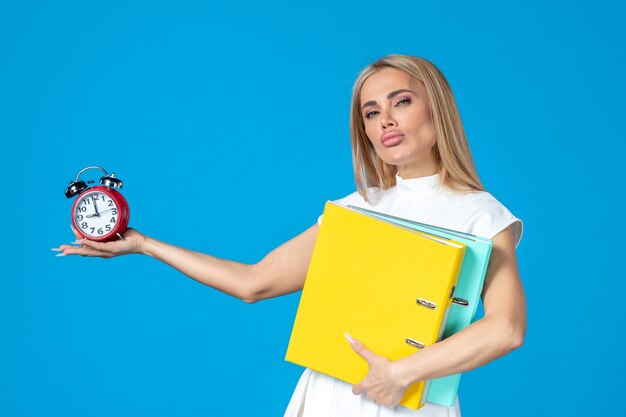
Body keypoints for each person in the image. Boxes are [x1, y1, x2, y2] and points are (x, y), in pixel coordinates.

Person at [55, 54, 526, 417]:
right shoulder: (354, 209)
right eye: (370, 112)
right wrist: (143, 244)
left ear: (436, 108)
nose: (385, 120)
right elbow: (253, 283)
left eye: (401, 101)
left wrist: (402, 373)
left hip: (410, 402)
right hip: (328, 395)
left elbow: (506, 328)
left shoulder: (482, 216)